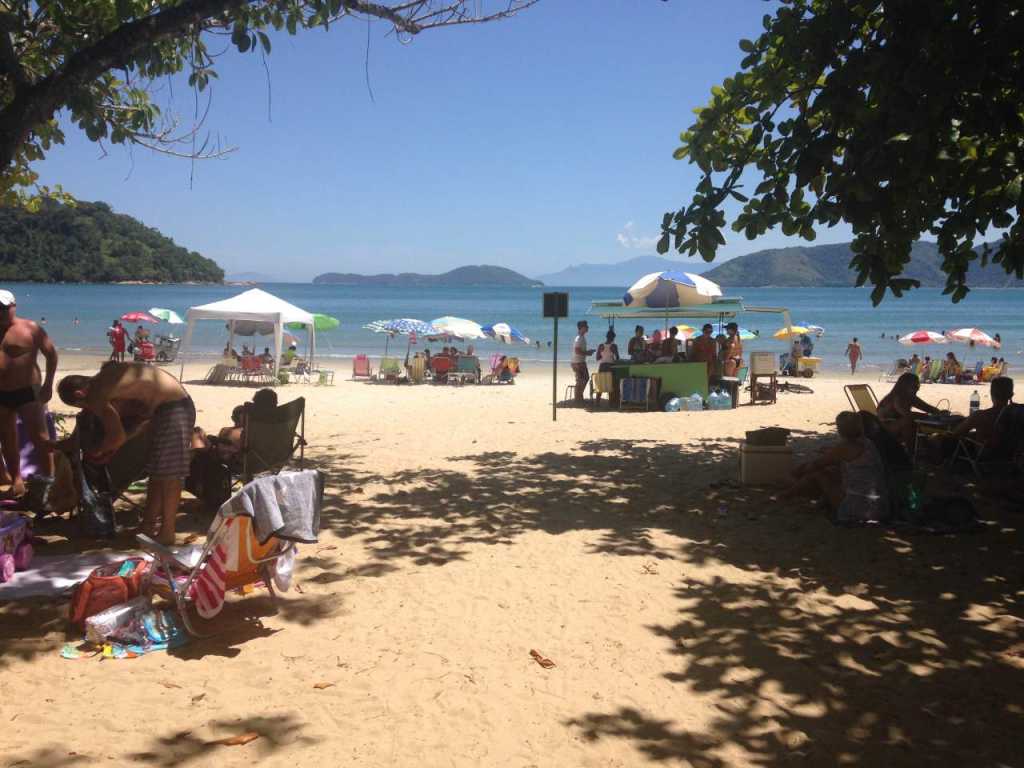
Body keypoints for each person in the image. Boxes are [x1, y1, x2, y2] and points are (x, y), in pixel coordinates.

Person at [57, 363, 195, 545]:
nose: (88, 409)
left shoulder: (97, 393)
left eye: (83, 406)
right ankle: (147, 526)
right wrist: (109, 448)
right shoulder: (107, 380)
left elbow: (117, 436)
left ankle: (167, 532)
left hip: (174, 407)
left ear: (80, 395)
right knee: (157, 473)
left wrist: (101, 452)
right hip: (163, 409)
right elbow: (130, 429)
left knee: (169, 475)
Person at [0, 290, 58, 498]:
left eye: (5, 307)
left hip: (27, 391)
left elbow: (51, 354)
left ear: (14, 306)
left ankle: (49, 484)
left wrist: (49, 385)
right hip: (1, 393)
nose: (2, 311)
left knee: (40, 439)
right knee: (7, 438)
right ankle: (16, 481)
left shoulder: (30, 328)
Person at [786, 411, 888, 523]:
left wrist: (798, 472)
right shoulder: (868, 443)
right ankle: (816, 503)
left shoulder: (844, 448)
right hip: (879, 505)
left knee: (819, 474)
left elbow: (816, 464)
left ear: (840, 430)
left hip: (860, 507)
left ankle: (786, 494)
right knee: (834, 471)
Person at [877, 372, 944, 448]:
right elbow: (907, 415)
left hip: (895, 425)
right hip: (884, 428)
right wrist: (925, 416)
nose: (917, 388)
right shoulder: (898, 397)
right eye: (915, 386)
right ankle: (911, 452)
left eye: (918, 385)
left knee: (914, 422)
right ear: (906, 386)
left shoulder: (909, 396)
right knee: (908, 421)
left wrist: (940, 413)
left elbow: (927, 407)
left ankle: (922, 447)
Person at [952, 376, 1014, 447]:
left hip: (985, 456)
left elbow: (956, 433)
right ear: (1011, 395)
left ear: (991, 393)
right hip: (1009, 455)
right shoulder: (1018, 415)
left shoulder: (981, 415)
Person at [571, 320, 593, 405]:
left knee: (582, 379)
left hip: (578, 361)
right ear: (582, 328)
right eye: (586, 326)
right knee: (583, 379)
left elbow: (578, 350)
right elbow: (577, 351)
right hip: (578, 362)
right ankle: (578, 398)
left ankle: (579, 397)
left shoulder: (581, 337)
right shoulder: (579, 338)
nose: (588, 327)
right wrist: (587, 353)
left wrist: (587, 352)